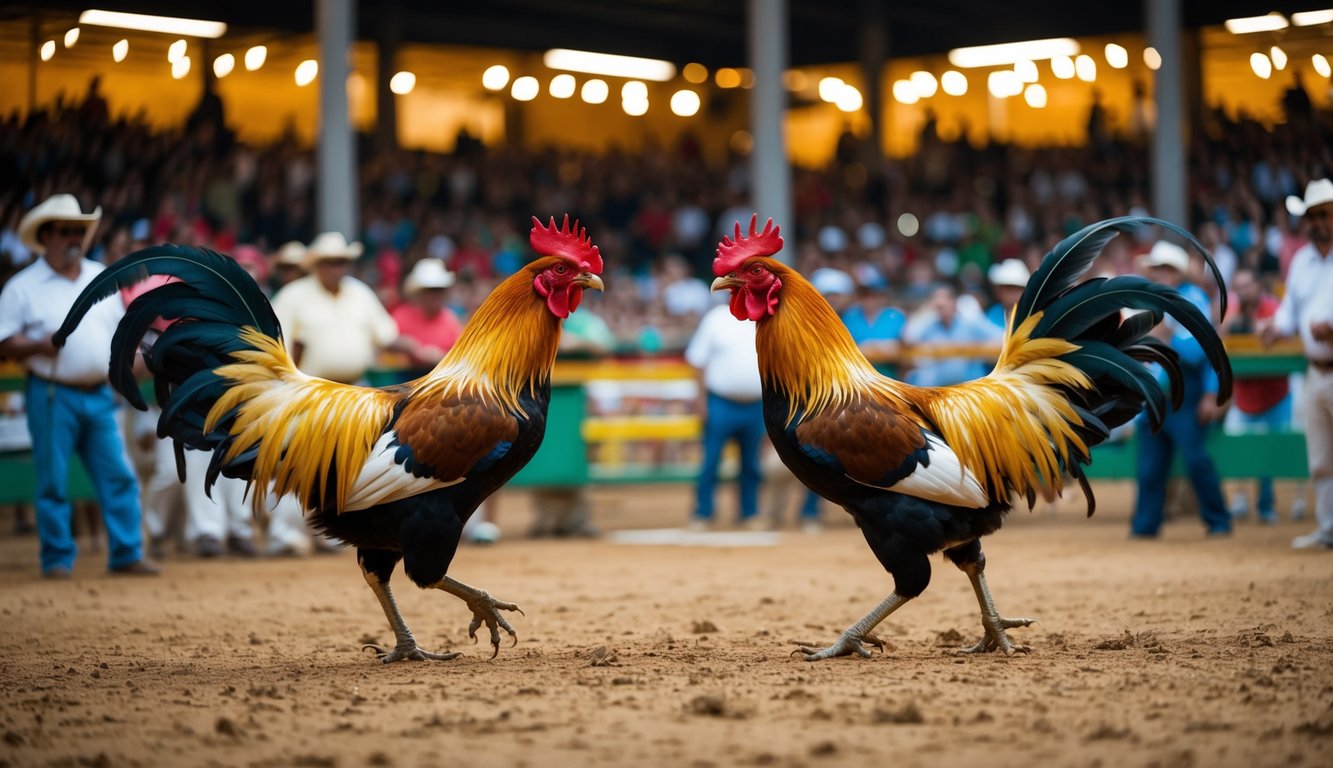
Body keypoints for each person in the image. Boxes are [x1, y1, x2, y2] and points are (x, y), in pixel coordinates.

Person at [0, 194, 159, 578]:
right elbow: (4, 341)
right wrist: (39, 345)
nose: (75, 237)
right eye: (67, 230)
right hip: (52, 392)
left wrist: (141, 356)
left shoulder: (99, 276)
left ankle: (126, 551)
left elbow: (122, 332)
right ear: (47, 235)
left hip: (99, 393)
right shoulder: (23, 286)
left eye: (80, 230)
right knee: (53, 480)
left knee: (118, 476)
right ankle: (57, 558)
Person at [1130, 240, 1232, 539]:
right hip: (1156, 395)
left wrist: (1168, 337)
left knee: (1195, 459)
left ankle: (1219, 520)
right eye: (1157, 268)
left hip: (1184, 394)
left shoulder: (1192, 300)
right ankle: (1145, 526)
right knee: (1150, 465)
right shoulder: (1151, 303)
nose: (1160, 274)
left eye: (1165, 268)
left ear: (1176, 273)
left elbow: (1200, 352)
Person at [1262, 178, 1333, 549]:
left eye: (1323, 214)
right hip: (1316, 370)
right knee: (1321, 457)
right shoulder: (1302, 261)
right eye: (1312, 216)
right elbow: (1292, 311)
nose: (1318, 222)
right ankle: (1328, 528)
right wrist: (1276, 328)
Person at [1223, 268, 1298, 524]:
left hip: (1274, 395)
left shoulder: (1274, 309)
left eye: (1247, 285)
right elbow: (1219, 340)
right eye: (1238, 287)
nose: (1243, 291)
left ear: (1258, 286)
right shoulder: (1231, 313)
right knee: (1238, 450)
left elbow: (1288, 338)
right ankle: (1241, 501)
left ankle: (1269, 506)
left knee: (1271, 453)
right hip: (1244, 397)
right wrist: (1230, 326)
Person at [685, 300, 764, 530]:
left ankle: (750, 512)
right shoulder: (716, 318)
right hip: (720, 401)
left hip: (756, 403)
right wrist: (701, 402)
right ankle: (703, 512)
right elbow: (697, 361)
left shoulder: (762, 317)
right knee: (710, 461)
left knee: (751, 463)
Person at [902, 284, 1003, 387]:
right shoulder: (930, 326)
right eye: (937, 304)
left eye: (944, 303)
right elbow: (908, 338)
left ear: (954, 302)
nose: (940, 306)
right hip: (938, 391)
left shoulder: (970, 323)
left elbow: (1002, 338)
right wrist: (925, 311)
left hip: (969, 389)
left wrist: (978, 348)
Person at [391, 257, 463, 380]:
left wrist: (440, 358)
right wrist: (402, 344)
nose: (433, 296)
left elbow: (462, 360)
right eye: (429, 290)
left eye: (438, 290)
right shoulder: (401, 315)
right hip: (402, 382)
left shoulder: (451, 321)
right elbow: (383, 342)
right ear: (419, 292)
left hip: (438, 383)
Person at [985, 258, 1030, 329]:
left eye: (1018, 289)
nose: (1013, 294)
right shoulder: (993, 314)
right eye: (1009, 288)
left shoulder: (1031, 315)